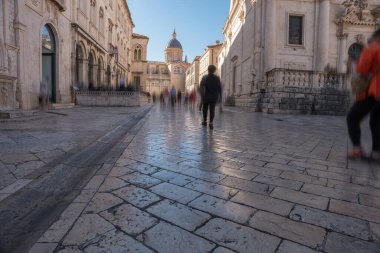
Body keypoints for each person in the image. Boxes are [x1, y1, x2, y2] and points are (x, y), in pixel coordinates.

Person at [347, 28, 380, 162]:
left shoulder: (373, 48)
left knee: (352, 118)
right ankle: (376, 153)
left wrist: (354, 64)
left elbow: (362, 69)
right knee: (376, 121)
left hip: (372, 90)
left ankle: (357, 149)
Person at [200, 65, 222, 130]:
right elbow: (219, 88)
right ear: (214, 70)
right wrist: (220, 97)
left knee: (205, 109)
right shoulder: (217, 78)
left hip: (206, 96)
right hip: (214, 96)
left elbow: (201, 87)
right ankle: (211, 123)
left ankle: (204, 121)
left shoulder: (204, 77)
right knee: (212, 110)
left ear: (208, 70)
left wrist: (202, 96)